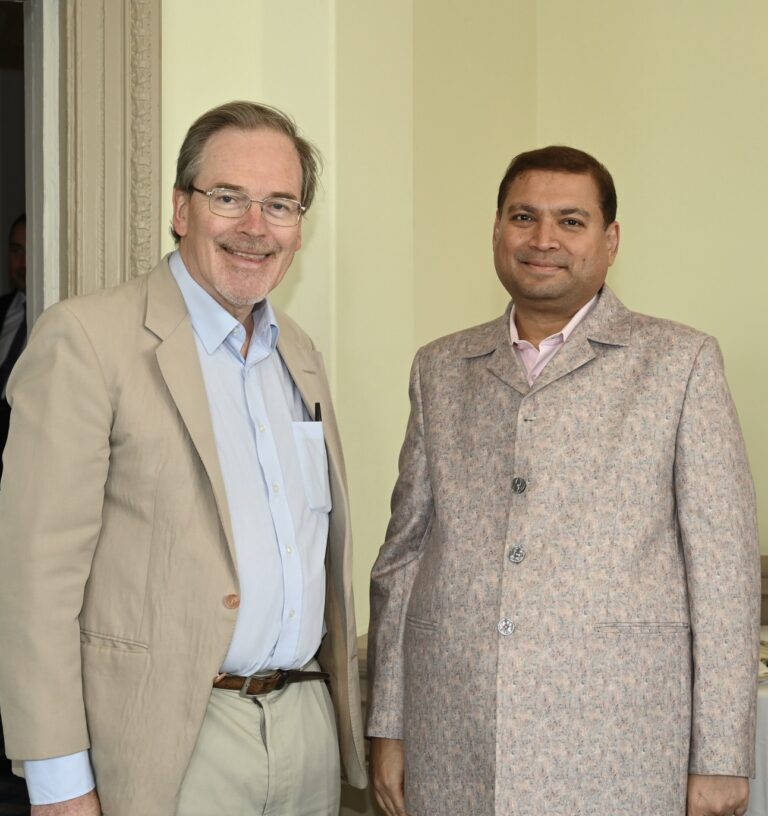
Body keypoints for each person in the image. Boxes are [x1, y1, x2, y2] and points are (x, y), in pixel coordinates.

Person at [366, 146, 760, 816]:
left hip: (621, 744)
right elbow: (403, 557)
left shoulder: (679, 362)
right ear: (496, 230)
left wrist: (722, 754)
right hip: (453, 737)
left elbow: (723, 570)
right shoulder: (441, 367)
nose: (543, 239)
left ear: (610, 241)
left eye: (571, 222)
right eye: (524, 217)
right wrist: (388, 723)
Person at [0, 101, 366, 816]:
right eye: (228, 197)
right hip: (171, 736)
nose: (255, 227)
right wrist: (57, 778)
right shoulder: (87, 339)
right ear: (181, 208)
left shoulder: (299, 354)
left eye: (280, 205)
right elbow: (36, 579)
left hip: (304, 727)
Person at [0, 212, 27, 473]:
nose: (23, 263)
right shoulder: (3, 309)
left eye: (29, 251)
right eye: (16, 250)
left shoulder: (56, 320)